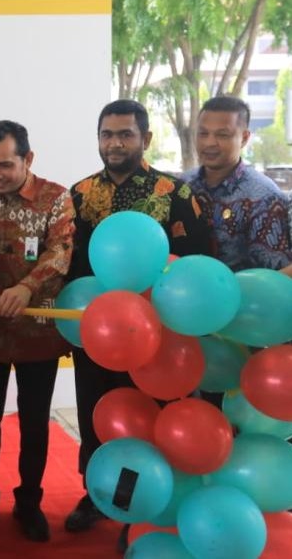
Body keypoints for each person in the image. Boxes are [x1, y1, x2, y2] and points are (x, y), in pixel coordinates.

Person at [65, 99, 211, 534]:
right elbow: (67, 266)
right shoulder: (79, 195)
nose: (115, 143)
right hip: (97, 330)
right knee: (97, 411)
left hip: (156, 338)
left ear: (145, 139)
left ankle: (147, 504)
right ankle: (96, 494)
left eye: (125, 134)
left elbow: (196, 261)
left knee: (148, 415)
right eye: (107, 134)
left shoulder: (174, 194)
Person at [0, 120, 75, 544]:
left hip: (39, 330)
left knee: (34, 423)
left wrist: (27, 285)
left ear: (28, 158)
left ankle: (29, 503)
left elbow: (60, 251)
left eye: (5, 165)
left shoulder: (55, 197)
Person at [185, 95, 292, 271]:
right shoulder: (182, 186)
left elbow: (274, 275)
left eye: (222, 135)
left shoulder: (264, 196)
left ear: (244, 138)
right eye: (203, 133)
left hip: (242, 295)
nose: (209, 143)